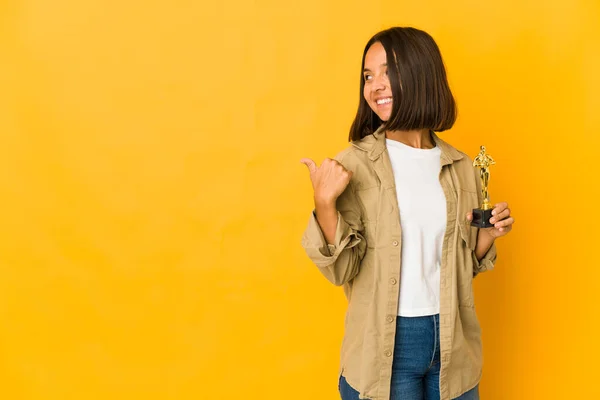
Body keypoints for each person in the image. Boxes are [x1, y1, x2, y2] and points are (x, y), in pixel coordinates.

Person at [300, 27, 514, 400]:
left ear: (420, 73)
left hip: (454, 341)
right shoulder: (355, 165)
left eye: (388, 72)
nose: (375, 86)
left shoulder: (461, 165)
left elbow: (461, 266)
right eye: (368, 76)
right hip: (386, 345)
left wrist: (487, 237)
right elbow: (342, 270)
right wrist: (325, 205)